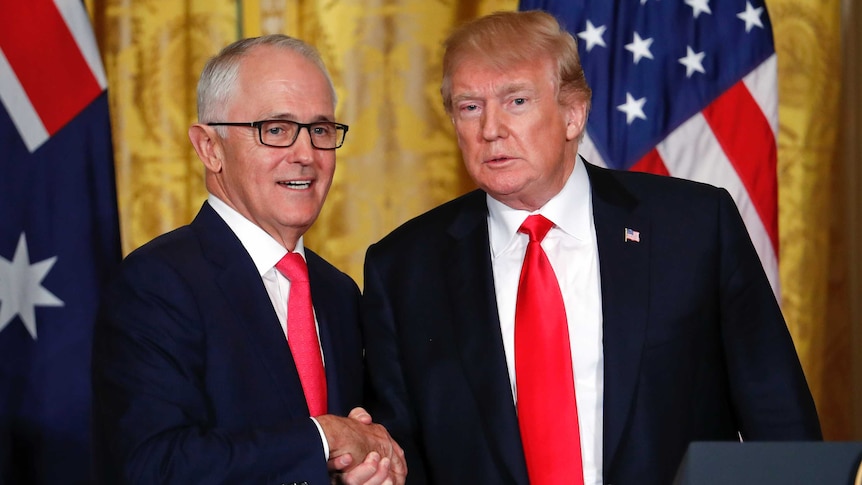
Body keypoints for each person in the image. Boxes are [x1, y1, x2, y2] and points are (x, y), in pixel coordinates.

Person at [360, 10, 821, 485]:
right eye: (469, 107)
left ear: (573, 113)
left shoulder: (695, 228)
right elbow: (400, 451)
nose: (490, 129)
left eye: (516, 101)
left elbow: (779, 422)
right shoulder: (404, 269)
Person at [92, 34, 405, 485]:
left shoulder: (338, 292)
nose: (305, 155)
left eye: (319, 130)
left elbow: (347, 450)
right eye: (275, 130)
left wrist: (369, 467)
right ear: (209, 148)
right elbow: (154, 466)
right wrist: (324, 438)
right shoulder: (156, 283)